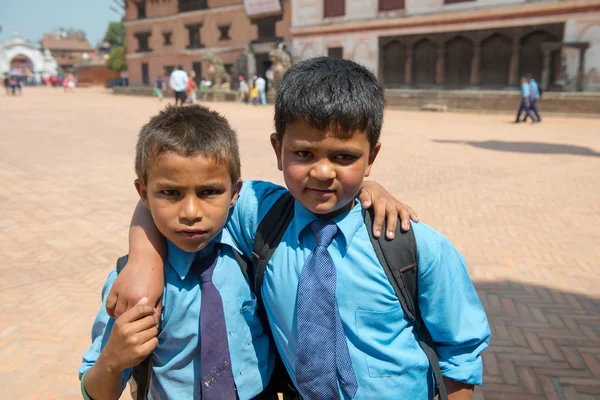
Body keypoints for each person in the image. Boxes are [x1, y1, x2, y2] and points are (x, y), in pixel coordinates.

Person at [108, 58, 489, 399]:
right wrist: (143, 258)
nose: (322, 173)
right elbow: (173, 199)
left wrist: (372, 188)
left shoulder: (411, 243)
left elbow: (460, 352)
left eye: (344, 157)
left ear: (372, 157)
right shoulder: (260, 215)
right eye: (303, 154)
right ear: (278, 150)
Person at [79, 105, 277, 400]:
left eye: (209, 192)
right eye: (170, 193)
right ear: (143, 193)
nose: (191, 212)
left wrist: (368, 189)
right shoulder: (132, 287)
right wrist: (112, 361)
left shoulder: (252, 254)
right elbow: (94, 392)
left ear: (235, 192)